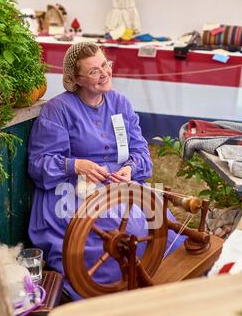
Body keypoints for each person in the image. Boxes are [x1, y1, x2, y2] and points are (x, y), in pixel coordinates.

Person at [28, 42, 184, 300]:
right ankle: (118, 290)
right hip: (72, 190)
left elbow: (141, 152)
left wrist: (131, 169)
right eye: (93, 71)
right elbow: (38, 163)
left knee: (159, 218)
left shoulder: (120, 103)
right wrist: (75, 165)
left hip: (119, 186)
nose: (104, 73)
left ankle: (162, 286)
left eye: (105, 65)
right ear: (75, 79)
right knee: (123, 227)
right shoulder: (59, 109)